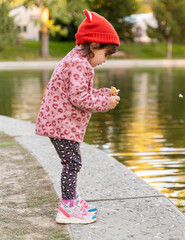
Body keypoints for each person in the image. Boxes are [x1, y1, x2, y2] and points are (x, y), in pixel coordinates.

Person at [35, 10, 120, 224]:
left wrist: (103, 94)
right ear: (94, 45)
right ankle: (67, 208)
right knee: (72, 163)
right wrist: (104, 104)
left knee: (72, 162)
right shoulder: (79, 64)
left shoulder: (78, 59)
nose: (105, 60)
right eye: (106, 54)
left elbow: (80, 93)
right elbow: (79, 98)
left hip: (61, 122)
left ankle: (72, 200)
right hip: (61, 124)